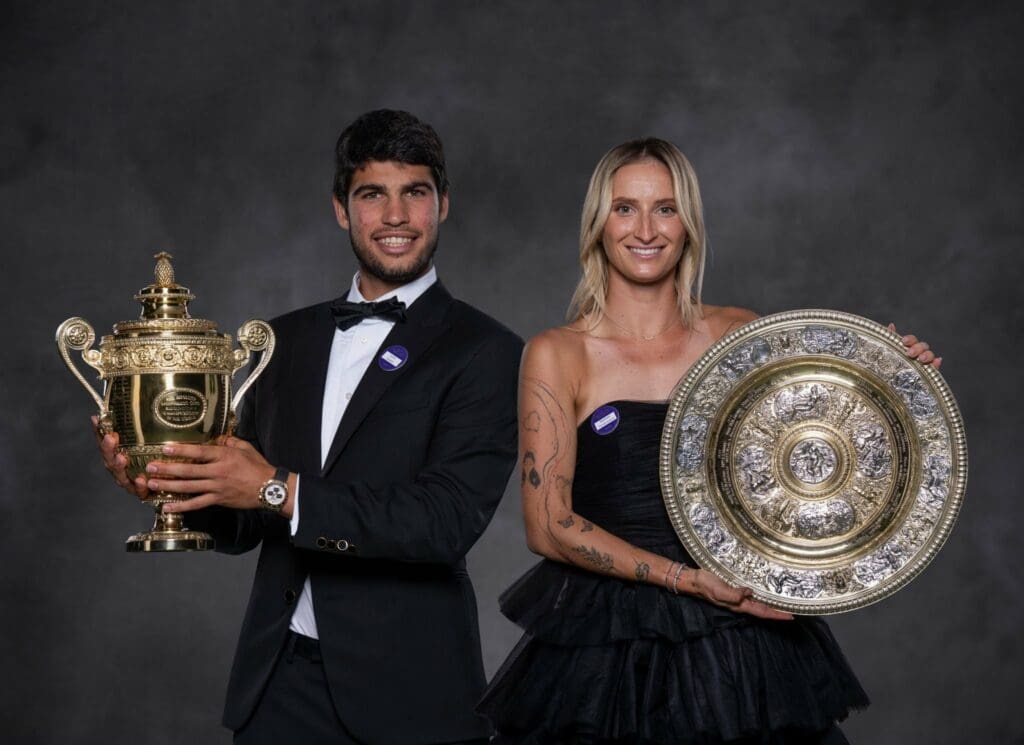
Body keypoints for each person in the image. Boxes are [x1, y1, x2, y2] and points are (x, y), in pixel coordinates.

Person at [477, 138, 941, 744]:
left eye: (664, 209)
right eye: (625, 209)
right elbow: (548, 525)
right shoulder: (558, 354)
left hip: (743, 643)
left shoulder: (739, 333)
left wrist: (897, 375)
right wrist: (686, 580)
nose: (645, 229)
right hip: (607, 649)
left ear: (688, 223)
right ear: (598, 224)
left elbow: (820, 448)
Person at [97, 109, 523, 745]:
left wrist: (276, 487)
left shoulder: (486, 350)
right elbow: (245, 520)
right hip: (278, 685)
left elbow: (443, 522)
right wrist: (173, 485)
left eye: (416, 193)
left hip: (410, 691)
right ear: (341, 209)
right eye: (372, 194)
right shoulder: (280, 341)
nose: (397, 216)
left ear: (443, 204)